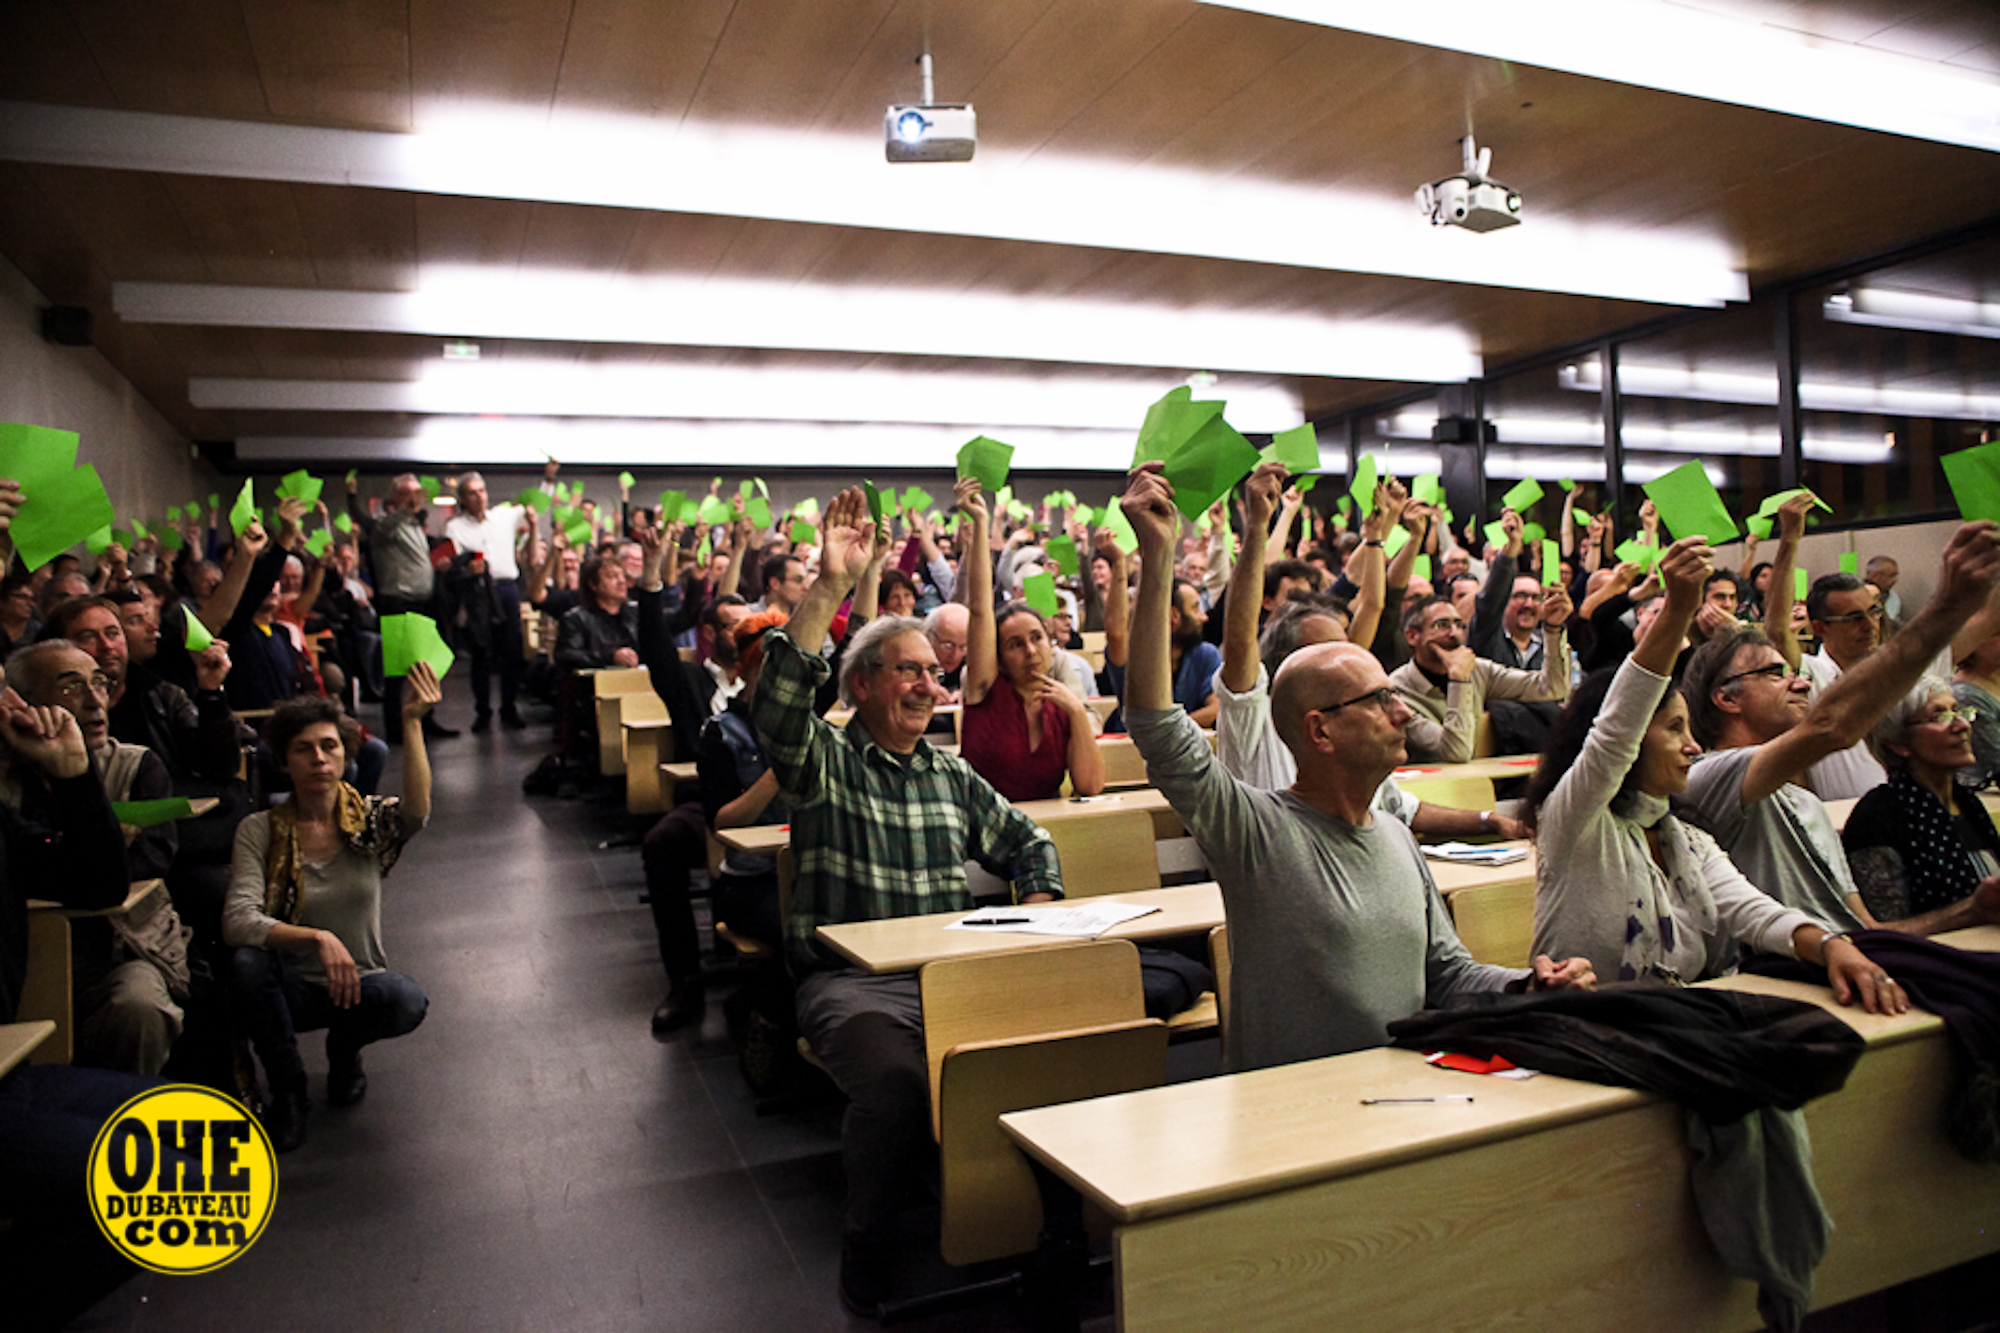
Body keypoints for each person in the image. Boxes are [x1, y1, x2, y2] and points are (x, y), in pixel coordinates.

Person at [1120, 462, 1591, 1078]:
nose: (1402, 710)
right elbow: (1156, 724)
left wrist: (1529, 985)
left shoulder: (1396, 835)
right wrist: (1157, 558)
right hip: (1294, 1115)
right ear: (1320, 731)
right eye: (1379, 701)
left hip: (1399, 1097)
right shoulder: (1254, 831)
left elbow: (1447, 972)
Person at [750, 486, 1062, 1316]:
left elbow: (1032, 844)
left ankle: (1041, 1223)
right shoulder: (824, 761)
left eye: (935, 671)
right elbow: (778, 707)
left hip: (951, 967)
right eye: (911, 672)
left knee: (1063, 1034)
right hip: (852, 984)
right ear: (861, 684)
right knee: (891, 1081)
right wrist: (828, 586)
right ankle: (872, 1237)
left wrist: (1031, 909)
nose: (931, 685)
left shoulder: (949, 772)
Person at [1525, 535, 1906, 1012]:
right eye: (1673, 729)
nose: (1691, 745)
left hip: (1673, 1018)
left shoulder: (1685, 840)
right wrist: (1679, 609)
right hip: (1581, 1025)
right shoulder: (1576, 822)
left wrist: (1830, 946)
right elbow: (1616, 727)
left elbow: (1754, 912)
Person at [1676, 520, 2000, 936]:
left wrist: (1973, 911)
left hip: (1847, 970)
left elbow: (1862, 933)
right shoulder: (1708, 778)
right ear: (1727, 697)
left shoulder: (1806, 806)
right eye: (1776, 673)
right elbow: (1831, 726)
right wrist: (1948, 606)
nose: (1800, 681)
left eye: (1874, 612)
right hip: (1787, 978)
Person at [1213, 465, 1524, 838]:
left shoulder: (1356, 730)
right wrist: (1259, 526)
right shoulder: (1255, 720)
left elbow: (1403, 809)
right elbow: (1240, 638)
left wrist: (1492, 822)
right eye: (1326, 650)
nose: (1343, 657)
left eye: (1343, 646)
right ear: (1285, 665)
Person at [223, 662, 440, 1152]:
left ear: (345, 756)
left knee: (406, 1000)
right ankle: (290, 1091)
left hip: (358, 982)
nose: (318, 759)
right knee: (247, 964)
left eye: (329, 747)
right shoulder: (259, 830)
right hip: (292, 987)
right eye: (303, 749)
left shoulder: (365, 820)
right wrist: (317, 937)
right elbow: (238, 921)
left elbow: (417, 813)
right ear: (284, 761)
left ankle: (345, 1051)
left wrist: (411, 722)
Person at [3, 642, 191, 1075]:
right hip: (26, 956)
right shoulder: (8, 783)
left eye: (100, 684)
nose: (93, 700)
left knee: (137, 1007)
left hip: (115, 945)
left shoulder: (131, 765)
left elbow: (109, 880)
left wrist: (72, 771)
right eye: (71, 688)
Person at [954, 478, 1105, 801]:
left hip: (1044, 833)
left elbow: (1090, 786)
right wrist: (982, 523)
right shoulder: (986, 689)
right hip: (981, 833)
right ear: (1000, 657)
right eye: (1015, 644)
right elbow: (980, 610)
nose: (1031, 650)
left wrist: (1077, 713)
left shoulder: (1061, 705)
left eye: (1037, 638)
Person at [1842, 680, 2000, 930]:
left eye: (1958, 711)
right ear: (1898, 744)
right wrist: (1973, 911)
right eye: (1940, 716)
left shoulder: (1968, 804)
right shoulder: (1877, 816)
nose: (1962, 725)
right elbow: (1887, 929)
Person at [1388, 586, 1572, 763]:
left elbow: (1552, 688)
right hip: (1428, 789)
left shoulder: (1478, 670)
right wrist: (1459, 681)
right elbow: (1456, 751)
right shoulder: (1395, 693)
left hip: (1475, 784)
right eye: (1442, 625)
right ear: (1412, 636)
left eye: (1459, 625)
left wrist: (1553, 629)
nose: (1454, 634)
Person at [349, 472, 456, 741]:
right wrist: (407, 508)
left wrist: (435, 568)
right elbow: (381, 529)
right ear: (395, 497)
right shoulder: (386, 524)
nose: (415, 498)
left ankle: (426, 717)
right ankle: (396, 730)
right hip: (397, 603)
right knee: (397, 672)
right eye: (408, 493)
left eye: (417, 493)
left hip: (421, 602)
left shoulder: (412, 525)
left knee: (426, 666)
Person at [442, 471, 529, 731]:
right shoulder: (454, 527)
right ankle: (483, 711)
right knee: (481, 653)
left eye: (482, 491)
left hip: (506, 587)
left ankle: (509, 707)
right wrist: (468, 569)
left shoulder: (503, 516)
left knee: (512, 652)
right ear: (463, 499)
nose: (480, 496)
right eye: (473, 493)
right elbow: (451, 566)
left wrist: (549, 478)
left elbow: (538, 503)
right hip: (477, 589)